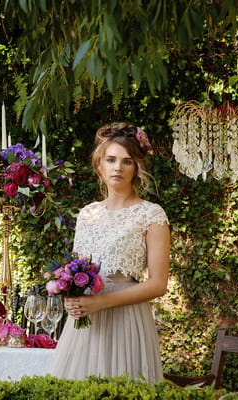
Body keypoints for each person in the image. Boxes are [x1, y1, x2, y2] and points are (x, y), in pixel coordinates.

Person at [49, 122, 170, 383]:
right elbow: (75, 270)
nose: (118, 167)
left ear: (136, 167)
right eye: (111, 160)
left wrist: (100, 302)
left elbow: (159, 284)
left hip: (127, 321)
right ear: (99, 165)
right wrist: (71, 296)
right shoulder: (87, 214)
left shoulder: (151, 215)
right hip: (86, 324)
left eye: (127, 161)